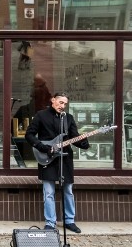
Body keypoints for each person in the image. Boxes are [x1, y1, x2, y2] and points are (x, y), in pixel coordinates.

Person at [25, 92, 89, 233]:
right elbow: (29, 135)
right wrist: (43, 147)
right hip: (47, 157)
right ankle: (50, 222)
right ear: (53, 100)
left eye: (65, 104)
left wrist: (84, 141)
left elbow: (74, 137)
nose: (63, 106)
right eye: (60, 102)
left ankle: (69, 221)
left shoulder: (68, 118)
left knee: (68, 191)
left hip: (65, 158)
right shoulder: (41, 115)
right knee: (48, 192)